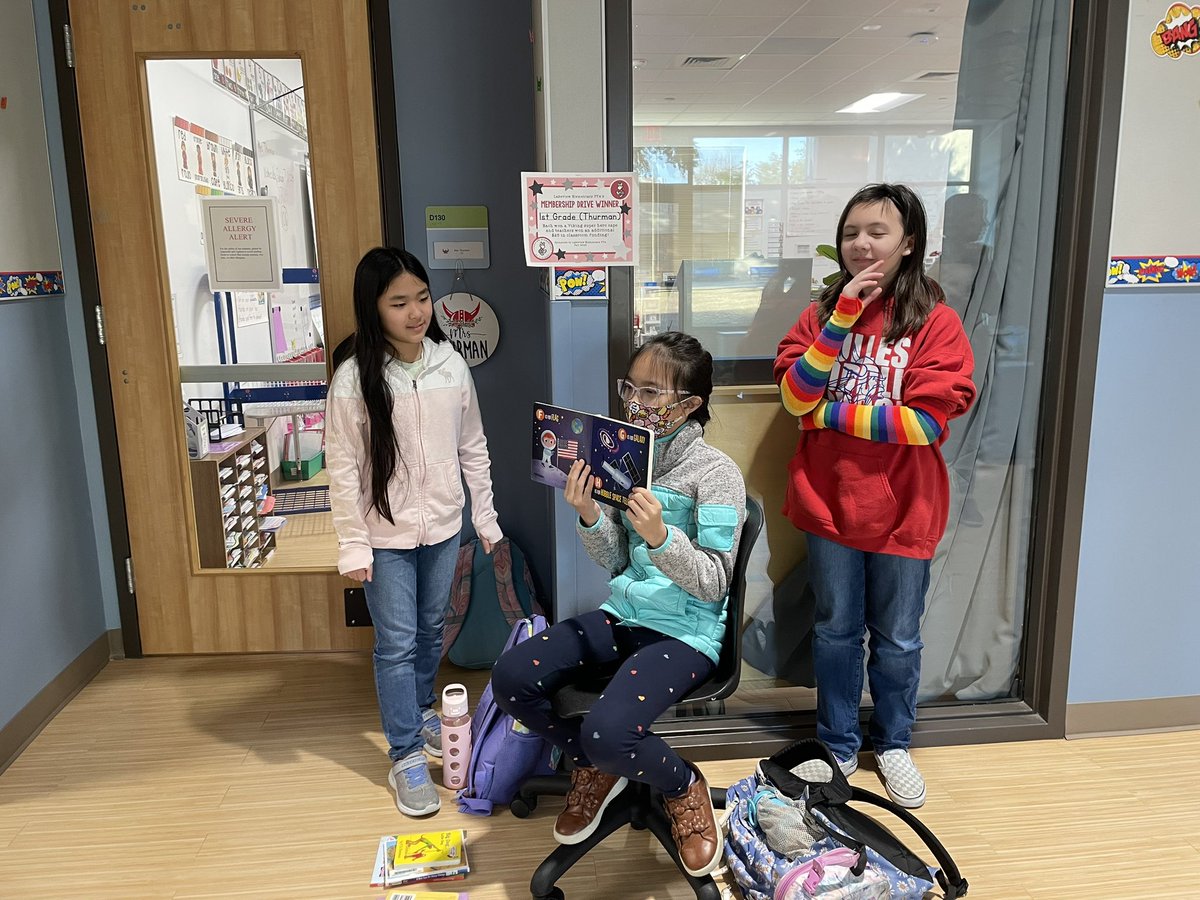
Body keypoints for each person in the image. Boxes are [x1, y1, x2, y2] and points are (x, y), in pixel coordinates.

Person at [492, 332, 746, 878]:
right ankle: (594, 767)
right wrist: (588, 514)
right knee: (512, 678)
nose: (635, 402)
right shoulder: (629, 456)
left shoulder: (717, 473)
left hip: (685, 632)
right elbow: (614, 562)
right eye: (631, 387)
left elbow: (714, 583)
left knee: (607, 731)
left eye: (653, 394)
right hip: (624, 615)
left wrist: (661, 538)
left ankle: (682, 786)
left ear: (690, 405)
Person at [774, 184, 976, 809]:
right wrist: (839, 322)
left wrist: (831, 414)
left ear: (909, 242)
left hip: (904, 507)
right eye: (851, 232)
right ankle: (836, 744)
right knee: (835, 631)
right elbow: (792, 398)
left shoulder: (934, 321)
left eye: (878, 232)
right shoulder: (819, 314)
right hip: (827, 503)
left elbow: (925, 424)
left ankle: (892, 745)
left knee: (898, 637)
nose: (861, 244)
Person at [326, 247, 503, 817]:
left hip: (444, 525)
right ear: (373, 309)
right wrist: (352, 542)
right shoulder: (355, 378)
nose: (416, 311)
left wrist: (485, 517)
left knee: (431, 629)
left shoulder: (451, 366)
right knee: (396, 644)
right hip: (385, 535)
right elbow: (343, 466)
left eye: (422, 298)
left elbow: (472, 447)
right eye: (399, 302)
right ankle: (404, 754)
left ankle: (424, 708)